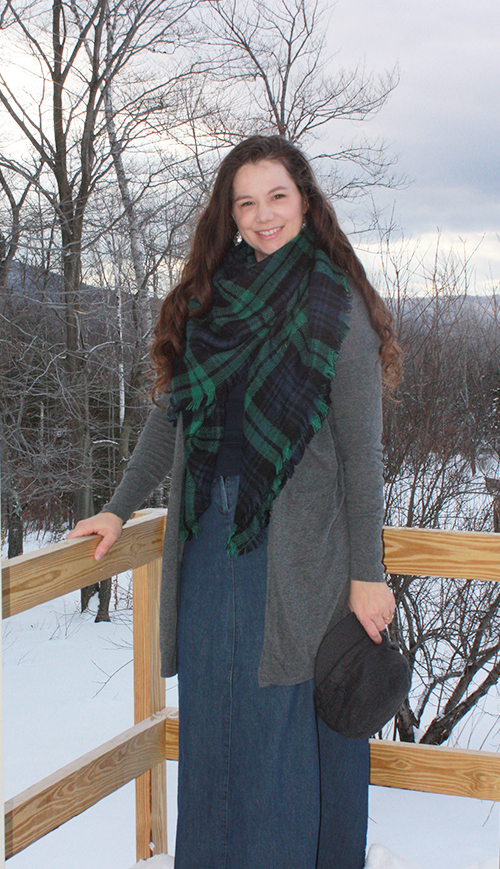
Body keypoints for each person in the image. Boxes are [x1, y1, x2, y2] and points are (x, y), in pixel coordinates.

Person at [68, 135, 400, 868]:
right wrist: (119, 508)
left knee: (275, 740)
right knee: (215, 733)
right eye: (245, 202)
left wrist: (367, 573)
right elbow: (170, 417)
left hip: (293, 562)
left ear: (305, 202)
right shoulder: (212, 299)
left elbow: (360, 452)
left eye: (277, 196)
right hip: (209, 546)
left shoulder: (333, 302)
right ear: (230, 212)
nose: (263, 215)